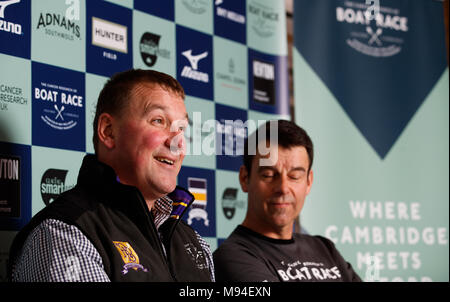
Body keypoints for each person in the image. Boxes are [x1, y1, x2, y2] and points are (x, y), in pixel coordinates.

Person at [8, 69, 214, 282]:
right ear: (108, 131)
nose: (178, 142)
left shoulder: (194, 242)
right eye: (159, 121)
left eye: (181, 128)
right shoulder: (64, 233)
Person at [213, 120, 361, 282]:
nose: (283, 187)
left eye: (294, 176)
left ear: (308, 182)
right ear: (245, 178)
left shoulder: (325, 248)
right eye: (269, 175)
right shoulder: (232, 258)